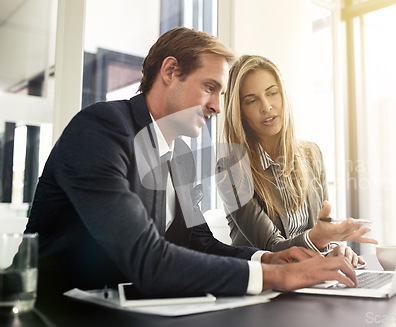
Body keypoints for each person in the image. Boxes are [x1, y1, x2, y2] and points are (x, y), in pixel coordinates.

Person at [26, 27, 359, 303]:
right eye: (209, 88)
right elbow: (147, 257)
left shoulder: (180, 159)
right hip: (53, 311)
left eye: (221, 93)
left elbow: (202, 244)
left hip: (129, 310)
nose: (216, 106)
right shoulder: (102, 128)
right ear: (170, 71)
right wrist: (278, 276)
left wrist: (268, 259)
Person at [218, 55, 377, 266]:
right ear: (240, 112)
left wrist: (335, 249)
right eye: (251, 100)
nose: (266, 107)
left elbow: (323, 229)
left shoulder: (312, 154)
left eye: (272, 93)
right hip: (268, 286)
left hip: (311, 278)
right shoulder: (231, 168)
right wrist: (319, 238)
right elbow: (272, 249)